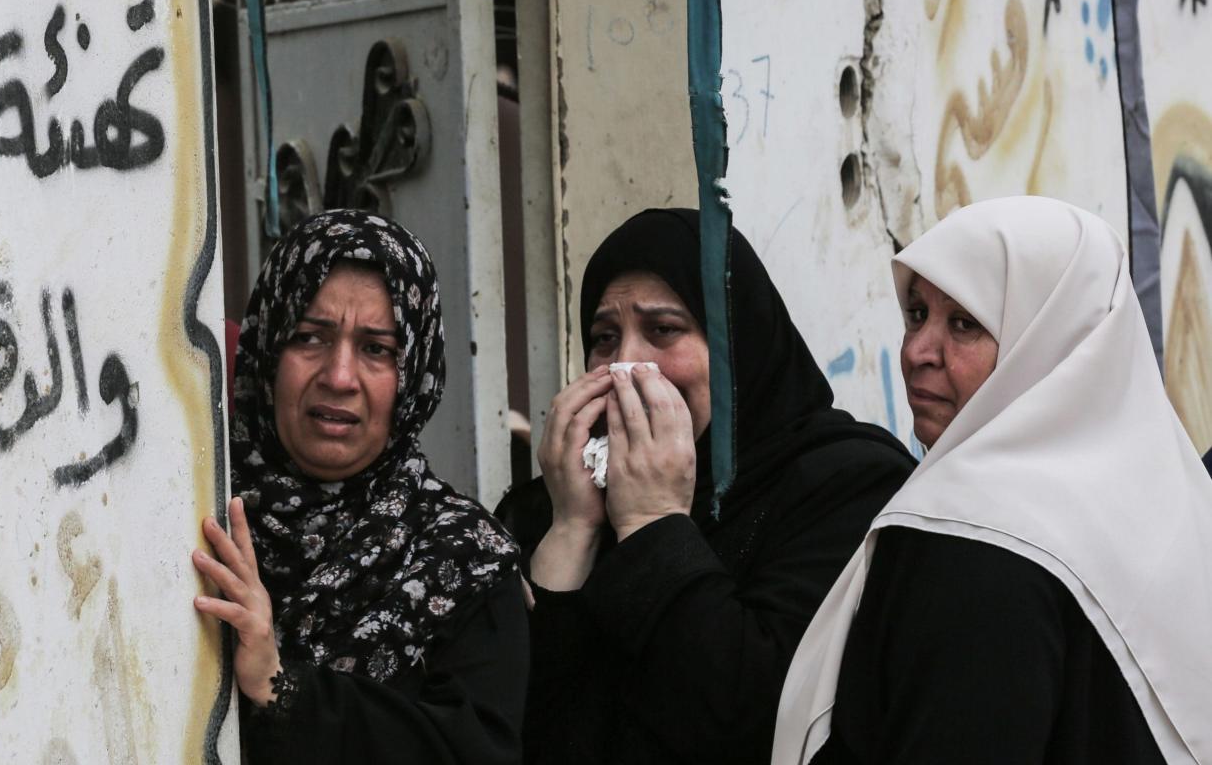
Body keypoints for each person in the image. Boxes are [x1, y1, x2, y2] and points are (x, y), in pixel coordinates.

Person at [772, 196, 1212, 765]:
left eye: (964, 323)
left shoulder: (968, 539)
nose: (916, 352)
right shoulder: (1175, 502)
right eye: (915, 314)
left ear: (1053, 341)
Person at [496, 208, 916, 765]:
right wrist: (572, 527)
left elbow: (755, 719)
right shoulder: (549, 505)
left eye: (663, 330)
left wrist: (653, 525)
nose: (626, 365)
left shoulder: (843, 485)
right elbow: (507, 722)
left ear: (736, 344)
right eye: (604, 337)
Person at [191, 209, 527, 764]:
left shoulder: (462, 561)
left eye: (377, 349)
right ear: (268, 353)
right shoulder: (196, 516)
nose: (339, 376)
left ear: (413, 376)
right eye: (309, 337)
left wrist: (281, 686)